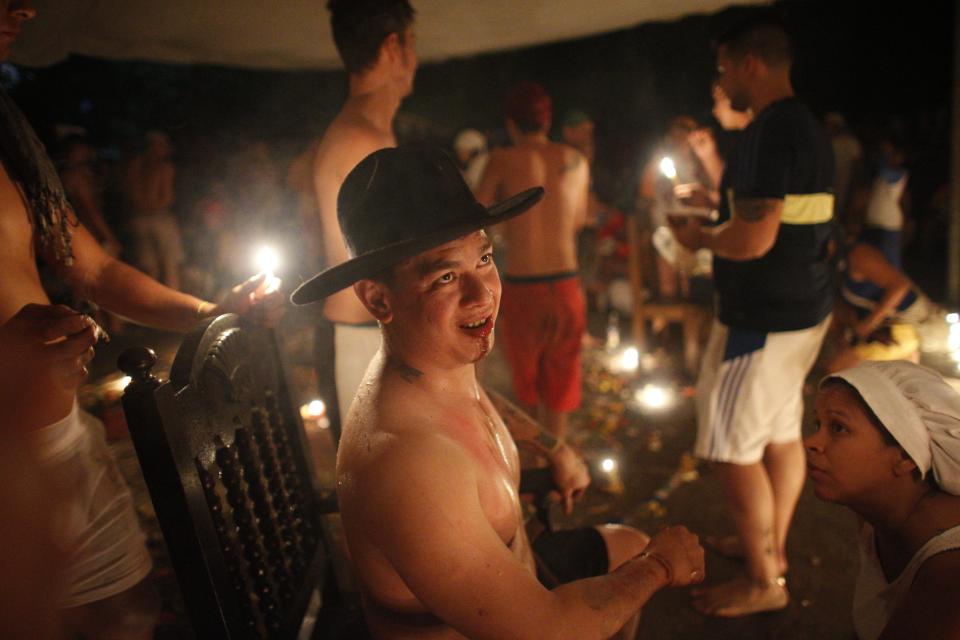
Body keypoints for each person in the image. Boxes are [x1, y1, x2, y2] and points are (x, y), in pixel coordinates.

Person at [291, 145, 705, 640]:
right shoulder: (408, 466)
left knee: (626, 542)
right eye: (446, 276)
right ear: (379, 299)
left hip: (517, 583)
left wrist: (550, 445)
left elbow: (474, 399)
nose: (482, 293)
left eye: (484, 259)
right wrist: (660, 565)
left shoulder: (432, 366)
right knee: (641, 555)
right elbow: (549, 631)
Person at [0, 3, 281, 636]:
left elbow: (95, 272)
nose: (23, 8)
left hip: (59, 434)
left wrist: (213, 311)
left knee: (128, 614)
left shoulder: (8, 144)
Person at [669, 16, 835, 616]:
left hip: (761, 319)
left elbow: (757, 239)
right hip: (803, 309)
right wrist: (718, 207)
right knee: (780, 434)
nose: (721, 82)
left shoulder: (768, 129)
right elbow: (786, 217)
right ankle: (769, 548)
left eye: (723, 69)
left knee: (732, 447)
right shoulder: (805, 126)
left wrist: (700, 238)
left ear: (749, 64)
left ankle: (765, 580)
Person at [311, 0, 417, 439]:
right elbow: (392, 257)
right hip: (360, 340)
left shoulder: (371, 133)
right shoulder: (360, 141)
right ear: (394, 47)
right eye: (415, 44)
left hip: (374, 334)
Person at [807, 361, 960, 639]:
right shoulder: (876, 509)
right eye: (817, 424)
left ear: (904, 455)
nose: (811, 442)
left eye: (838, 428)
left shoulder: (947, 580)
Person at [475, 82, 590, 441]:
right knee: (560, 388)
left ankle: (530, 472)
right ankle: (558, 474)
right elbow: (578, 221)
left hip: (525, 286)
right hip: (567, 283)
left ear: (511, 123)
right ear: (548, 120)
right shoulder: (575, 160)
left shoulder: (502, 159)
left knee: (525, 390)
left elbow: (477, 217)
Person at [823, 238, 936, 372]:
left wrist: (866, 326)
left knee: (837, 369)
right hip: (886, 327)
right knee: (836, 367)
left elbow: (901, 286)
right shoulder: (834, 268)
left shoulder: (858, 255)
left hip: (912, 323)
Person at [122, 130, 184, 289]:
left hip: (139, 219)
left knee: (151, 268)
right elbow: (166, 198)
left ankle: (153, 305)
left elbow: (132, 196)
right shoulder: (163, 167)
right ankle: (171, 307)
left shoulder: (135, 165)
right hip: (159, 219)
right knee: (168, 266)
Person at [452, 128, 489, 192]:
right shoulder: (482, 162)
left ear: (473, 151)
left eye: (461, 150)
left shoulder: (478, 168)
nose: (458, 154)